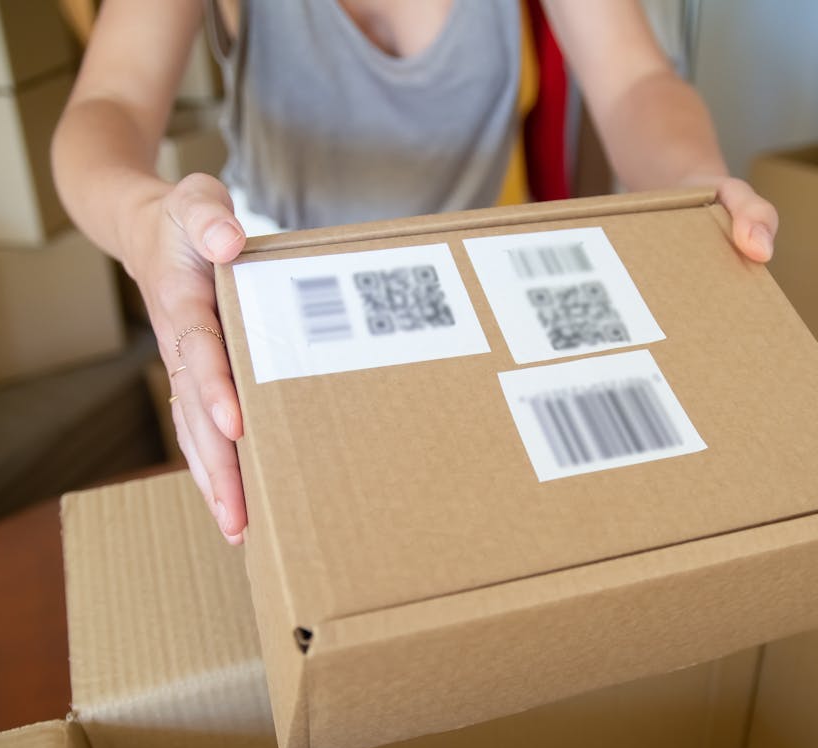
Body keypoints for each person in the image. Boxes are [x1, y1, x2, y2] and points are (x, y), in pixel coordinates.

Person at [51, 0, 779, 545]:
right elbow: (106, 108)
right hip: (292, 330)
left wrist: (697, 186)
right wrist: (145, 221)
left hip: (486, 310)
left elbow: (636, 82)